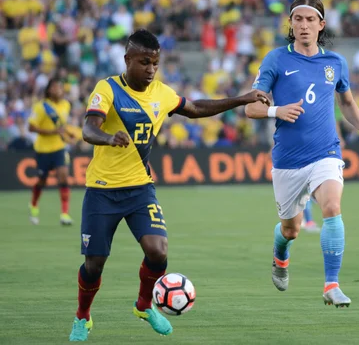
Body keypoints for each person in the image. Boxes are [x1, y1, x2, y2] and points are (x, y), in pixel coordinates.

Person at [69, 29, 268, 341]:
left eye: (155, 64)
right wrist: (109, 138)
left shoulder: (161, 93)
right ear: (127, 60)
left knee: (158, 251)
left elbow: (196, 109)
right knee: (94, 265)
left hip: (140, 189)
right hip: (102, 190)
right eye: (144, 62)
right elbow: (88, 129)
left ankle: (144, 305)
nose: (150, 69)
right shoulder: (106, 89)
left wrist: (242, 99)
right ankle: (83, 317)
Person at [245, 0, 359, 307]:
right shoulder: (276, 59)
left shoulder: (335, 63)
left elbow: (346, 102)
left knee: (332, 207)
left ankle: (331, 285)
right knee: (291, 230)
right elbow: (252, 107)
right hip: (288, 161)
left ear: (321, 25)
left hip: (326, 153)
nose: (304, 25)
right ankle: (280, 256)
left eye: (310, 20)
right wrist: (276, 111)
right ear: (291, 24)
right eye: (298, 19)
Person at [27, 78, 77, 226]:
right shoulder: (40, 107)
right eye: (55, 87)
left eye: (61, 87)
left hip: (59, 148)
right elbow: (31, 127)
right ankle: (34, 205)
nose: (59, 90)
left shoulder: (66, 105)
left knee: (63, 177)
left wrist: (68, 134)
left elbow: (62, 126)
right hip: (43, 150)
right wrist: (53, 131)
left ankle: (65, 214)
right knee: (42, 181)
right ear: (49, 90)